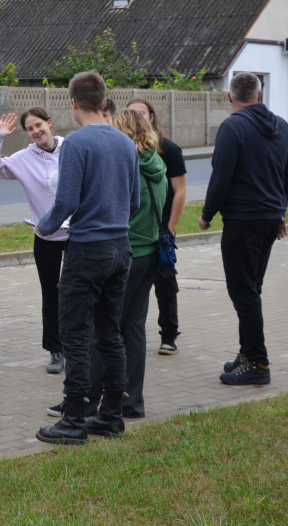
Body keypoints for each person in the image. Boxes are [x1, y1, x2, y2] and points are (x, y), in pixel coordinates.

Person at [35, 71, 140, 445]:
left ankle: (75, 418)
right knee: (109, 332)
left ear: (74, 103)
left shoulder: (76, 144)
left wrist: (43, 227)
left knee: (75, 334)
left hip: (86, 250)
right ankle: (111, 413)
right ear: (104, 100)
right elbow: (135, 203)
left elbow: (66, 202)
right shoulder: (126, 143)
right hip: (120, 248)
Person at [199, 72, 288, 386]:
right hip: (269, 220)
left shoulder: (232, 127)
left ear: (230, 97)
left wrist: (207, 214)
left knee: (244, 293)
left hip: (243, 221)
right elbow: (287, 174)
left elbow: (221, 176)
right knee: (251, 291)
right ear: (260, 94)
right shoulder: (282, 126)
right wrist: (280, 212)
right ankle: (247, 353)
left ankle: (259, 363)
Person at [0, 107, 68, 374]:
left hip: (77, 234)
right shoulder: (23, 158)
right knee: (51, 294)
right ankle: (56, 351)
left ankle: (82, 345)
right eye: (30, 129)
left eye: (39, 125)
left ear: (50, 123)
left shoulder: (71, 148)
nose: (35, 131)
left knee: (79, 292)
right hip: (46, 236)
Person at [109, 110, 167, 419]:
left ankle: (113, 399)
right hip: (152, 254)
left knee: (110, 327)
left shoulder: (129, 167)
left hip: (129, 253)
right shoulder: (157, 162)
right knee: (134, 328)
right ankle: (133, 401)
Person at [126, 98, 187, 355]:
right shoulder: (127, 151)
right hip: (138, 230)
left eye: (142, 113)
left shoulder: (168, 149)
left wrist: (171, 227)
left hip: (161, 228)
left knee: (165, 282)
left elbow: (180, 191)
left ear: (151, 117)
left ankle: (169, 334)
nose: (138, 117)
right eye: (133, 114)